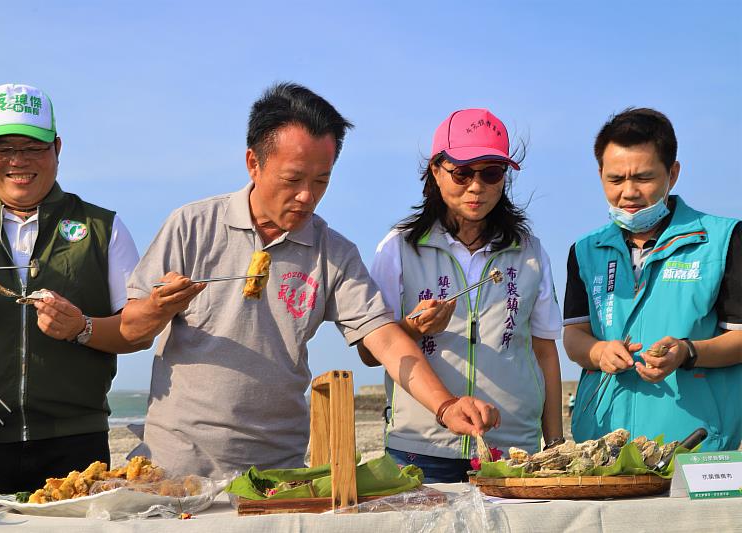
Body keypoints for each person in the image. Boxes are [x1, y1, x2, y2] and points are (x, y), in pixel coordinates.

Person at [120, 83, 501, 478]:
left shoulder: (332, 252)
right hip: (175, 466)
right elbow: (131, 330)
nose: (307, 196)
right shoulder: (192, 226)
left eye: (321, 180)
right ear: (253, 162)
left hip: (277, 472)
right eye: (292, 179)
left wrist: (444, 406)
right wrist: (157, 307)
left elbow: (384, 339)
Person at [0, 84, 147, 501]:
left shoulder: (102, 228)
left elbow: (138, 331)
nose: (18, 161)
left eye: (33, 147)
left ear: (57, 148)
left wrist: (83, 327)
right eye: (3, 148)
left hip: (75, 445)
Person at [360, 108, 564, 482]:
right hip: (421, 449)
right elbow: (370, 352)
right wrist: (412, 328)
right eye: (462, 173)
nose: (476, 187)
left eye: (491, 173)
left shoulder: (530, 252)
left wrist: (554, 443)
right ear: (436, 171)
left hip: (513, 447)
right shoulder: (398, 248)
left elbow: (545, 351)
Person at [563, 108, 742, 451]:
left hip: (694, 442)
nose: (628, 192)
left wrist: (688, 351)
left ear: (672, 174)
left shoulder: (724, 240)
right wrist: (599, 352)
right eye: (615, 180)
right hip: (603, 443)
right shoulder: (584, 251)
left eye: (643, 178)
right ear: (600, 174)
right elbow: (574, 337)